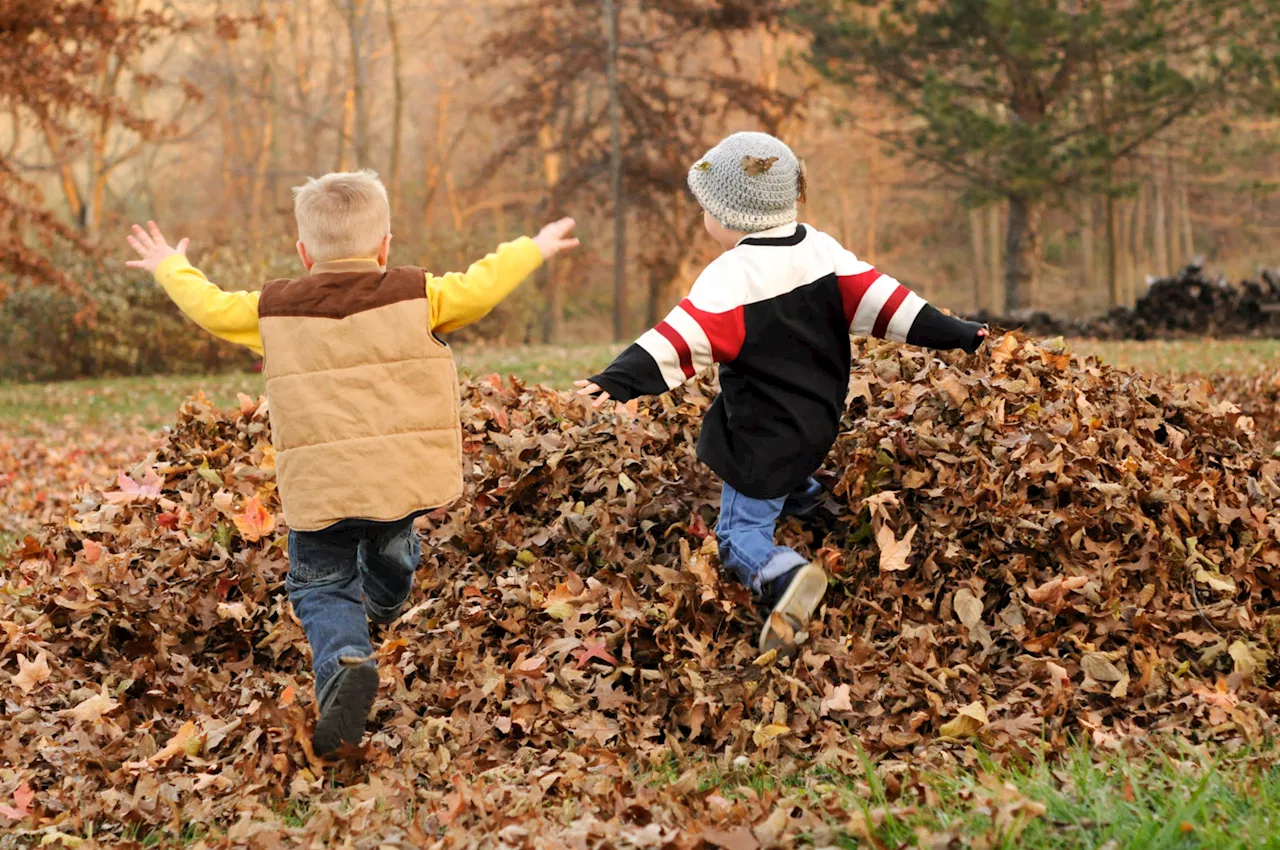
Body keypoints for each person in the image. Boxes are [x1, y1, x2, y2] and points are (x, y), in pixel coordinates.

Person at [125, 170, 579, 754]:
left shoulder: (272, 310)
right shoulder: (421, 295)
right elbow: (482, 284)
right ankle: (389, 592)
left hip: (322, 490)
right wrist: (534, 247)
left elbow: (208, 307)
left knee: (322, 584)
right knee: (390, 533)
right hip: (399, 476)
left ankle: (345, 660)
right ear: (385, 246)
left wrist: (169, 265)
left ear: (304, 252)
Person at [576, 132, 987, 654]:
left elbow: (681, 337)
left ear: (727, 217)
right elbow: (893, 305)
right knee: (775, 458)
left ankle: (785, 576)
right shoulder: (822, 251)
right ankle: (818, 507)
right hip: (817, 419)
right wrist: (958, 332)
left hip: (764, 433)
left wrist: (616, 381)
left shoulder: (733, 276)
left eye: (706, 208)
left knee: (737, 538)